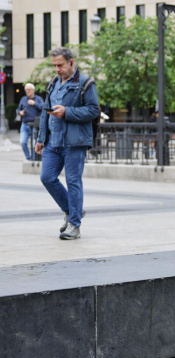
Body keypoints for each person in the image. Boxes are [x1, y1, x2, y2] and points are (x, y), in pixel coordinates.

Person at [35, 47, 99, 240]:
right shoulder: (54, 83)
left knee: (73, 182)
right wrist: (40, 138)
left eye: (60, 65)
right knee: (47, 177)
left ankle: (74, 225)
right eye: (54, 65)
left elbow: (93, 110)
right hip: (53, 142)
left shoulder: (86, 83)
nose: (57, 69)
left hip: (74, 142)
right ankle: (72, 211)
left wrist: (67, 112)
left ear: (71, 62)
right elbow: (45, 114)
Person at [18, 83, 45, 161]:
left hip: (34, 125)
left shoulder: (38, 99)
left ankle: (34, 158)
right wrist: (20, 112)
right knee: (23, 142)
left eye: (29, 90)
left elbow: (44, 107)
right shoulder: (23, 99)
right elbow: (18, 109)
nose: (27, 91)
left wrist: (35, 104)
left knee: (34, 143)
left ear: (33, 90)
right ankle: (28, 158)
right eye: (26, 90)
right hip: (25, 124)